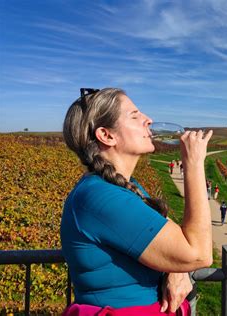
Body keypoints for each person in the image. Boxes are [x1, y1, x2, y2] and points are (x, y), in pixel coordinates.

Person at [60, 88, 213, 314]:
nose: (148, 120)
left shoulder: (124, 186)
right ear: (106, 135)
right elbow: (198, 252)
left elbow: (170, 236)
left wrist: (176, 269)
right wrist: (193, 164)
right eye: (135, 115)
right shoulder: (102, 198)